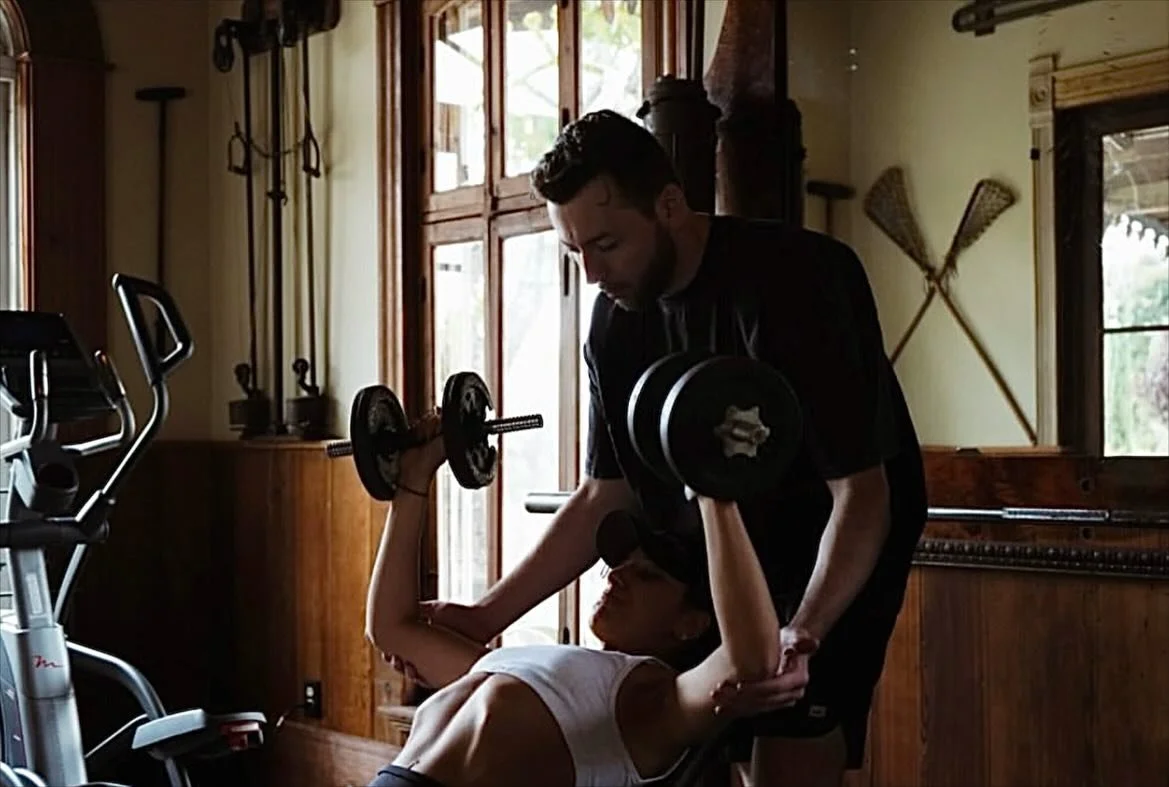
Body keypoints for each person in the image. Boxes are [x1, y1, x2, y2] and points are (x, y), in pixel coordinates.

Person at [388, 109, 930, 786]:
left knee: (785, 732)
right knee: (681, 747)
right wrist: (485, 612)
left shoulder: (799, 279)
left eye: (606, 243)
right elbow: (603, 494)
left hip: (823, 560)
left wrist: (804, 632)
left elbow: (862, 493)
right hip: (707, 560)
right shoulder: (614, 322)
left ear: (669, 205)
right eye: (572, 250)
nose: (590, 272)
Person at [365, 409, 808, 787]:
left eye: (648, 576)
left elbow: (749, 660)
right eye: (622, 563)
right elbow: (391, 628)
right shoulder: (530, 667)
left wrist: (713, 489)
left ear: (691, 623)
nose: (617, 575)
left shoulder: (654, 709)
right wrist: (415, 477)